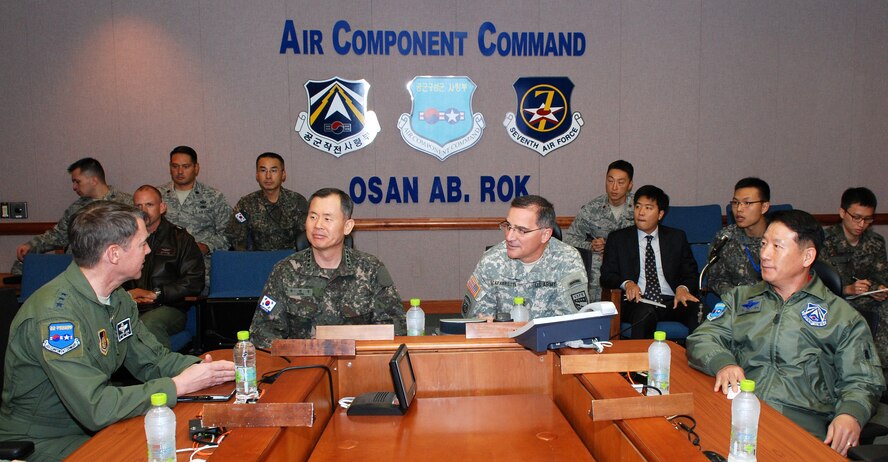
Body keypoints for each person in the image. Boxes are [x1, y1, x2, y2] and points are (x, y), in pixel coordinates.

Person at [0, 201, 234, 461]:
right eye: (142, 243)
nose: (148, 250)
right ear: (113, 254)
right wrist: (177, 385)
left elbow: (153, 361)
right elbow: (95, 406)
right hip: (41, 441)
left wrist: (214, 372)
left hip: (90, 430)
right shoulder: (57, 318)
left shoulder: (117, 299)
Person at [687, 210, 885, 457]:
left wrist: (850, 414)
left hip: (800, 426)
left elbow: (863, 380)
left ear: (807, 256)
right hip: (738, 410)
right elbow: (702, 337)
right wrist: (723, 363)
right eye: (763, 244)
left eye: (777, 246)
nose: (765, 254)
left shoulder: (842, 317)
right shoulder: (741, 299)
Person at [249, 188, 404, 348]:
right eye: (313, 217)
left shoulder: (371, 269)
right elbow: (262, 333)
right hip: (302, 366)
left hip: (357, 366)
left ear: (347, 226)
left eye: (327, 219)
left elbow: (395, 329)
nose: (318, 225)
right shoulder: (285, 271)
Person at [462, 195, 590, 320]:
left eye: (521, 230)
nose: (509, 237)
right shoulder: (491, 261)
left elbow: (573, 321)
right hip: (503, 339)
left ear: (545, 235)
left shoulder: (567, 260)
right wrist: (484, 322)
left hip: (550, 340)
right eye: (508, 226)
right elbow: (476, 319)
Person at [600, 185, 700, 339]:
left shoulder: (676, 238)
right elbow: (606, 275)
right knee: (645, 313)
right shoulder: (618, 238)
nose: (641, 212)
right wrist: (627, 283)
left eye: (648, 208)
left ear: (660, 214)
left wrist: (682, 288)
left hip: (671, 300)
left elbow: (691, 273)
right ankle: (640, 361)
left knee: (700, 310)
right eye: (638, 206)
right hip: (638, 302)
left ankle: (698, 359)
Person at [12, 157, 132, 274]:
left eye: (77, 182)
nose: (74, 187)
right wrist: (31, 246)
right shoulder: (76, 208)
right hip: (77, 270)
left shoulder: (126, 204)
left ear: (94, 180)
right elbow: (58, 235)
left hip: (114, 269)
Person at [123, 185, 205, 350]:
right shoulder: (123, 239)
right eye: (138, 206)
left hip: (168, 307)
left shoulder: (181, 239)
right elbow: (112, 275)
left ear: (162, 207)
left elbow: (194, 282)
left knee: (147, 324)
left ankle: (160, 372)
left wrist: (156, 294)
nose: (143, 210)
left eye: (149, 205)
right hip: (130, 304)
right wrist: (126, 295)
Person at [821, 187, 888, 383]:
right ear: (843, 213)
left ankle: (879, 371)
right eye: (856, 217)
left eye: (868, 219)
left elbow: (882, 273)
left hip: (867, 299)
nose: (861, 224)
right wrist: (846, 289)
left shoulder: (875, 241)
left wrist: (879, 289)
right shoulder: (826, 240)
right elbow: (816, 280)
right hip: (834, 301)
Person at [563, 160, 636, 301]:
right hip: (602, 263)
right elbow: (570, 239)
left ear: (630, 185)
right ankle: (596, 311)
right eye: (610, 181)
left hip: (632, 259)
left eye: (621, 182)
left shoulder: (639, 207)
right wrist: (591, 246)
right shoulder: (592, 209)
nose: (614, 187)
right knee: (595, 264)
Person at [157, 146, 231, 283]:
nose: (180, 171)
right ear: (170, 167)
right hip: (163, 266)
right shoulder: (157, 196)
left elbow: (228, 234)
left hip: (201, 266)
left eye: (186, 166)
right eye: (175, 166)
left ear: (196, 168)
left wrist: (206, 246)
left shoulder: (213, 196)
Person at [227, 152, 308, 251]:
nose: (268, 176)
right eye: (263, 170)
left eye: (273, 170)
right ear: (257, 175)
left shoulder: (297, 201)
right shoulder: (246, 203)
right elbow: (236, 239)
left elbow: (306, 239)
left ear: (283, 175)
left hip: (291, 260)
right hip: (258, 260)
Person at [707, 177, 771, 296]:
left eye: (747, 203)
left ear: (764, 207)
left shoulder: (780, 238)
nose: (739, 209)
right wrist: (739, 296)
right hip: (739, 305)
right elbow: (716, 279)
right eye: (735, 203)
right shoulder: (725, 237)